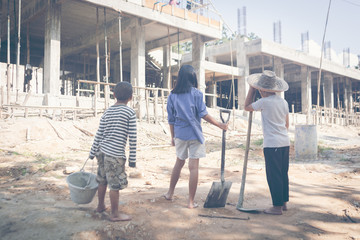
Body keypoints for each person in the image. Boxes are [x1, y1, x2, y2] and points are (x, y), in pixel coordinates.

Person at [163, 64, 228, 209]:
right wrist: (220, 125)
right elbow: (203, 114)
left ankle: (169, 193)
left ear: (179, 78)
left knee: (179, 163)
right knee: (193, 168)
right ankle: (190, 202)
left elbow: (171, 119)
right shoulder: (197, 94)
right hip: (195, 135)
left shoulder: (172, 95)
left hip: (180, 134)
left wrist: (172, 137)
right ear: (193, 78)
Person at [89, 81, 137, 221]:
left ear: (114, 95)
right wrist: (132, 159)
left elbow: (99, 134)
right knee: (114, 185)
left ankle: (100, 206)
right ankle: (115, 214)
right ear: (131, 97)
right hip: (115, 156)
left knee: (102, 180)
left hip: (102, 153)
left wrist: (92, 152)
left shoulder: (107, 111)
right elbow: (133, 138)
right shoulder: (130, 113)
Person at [244, 70, 290, 215]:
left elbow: (247, 107)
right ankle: (283, 203)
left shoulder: (264, 101)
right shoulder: (284, 102)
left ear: (262, 90)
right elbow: (287, 125)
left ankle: (276, 208)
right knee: (283, 174)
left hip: (272, 144)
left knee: (273, 175)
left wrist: (251, 89)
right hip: (285, 142)